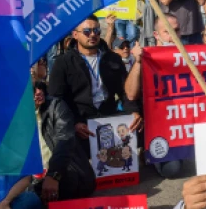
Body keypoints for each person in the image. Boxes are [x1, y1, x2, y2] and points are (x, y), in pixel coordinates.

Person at [48, 15, 142, 144]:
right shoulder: (63, 62)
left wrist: (133, 112)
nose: (92, 35)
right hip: (81, 120)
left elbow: (125, 91)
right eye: (87, 31)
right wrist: (74, 122)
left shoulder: (112, 58)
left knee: (139, 126)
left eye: (96, 31)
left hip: (108, 115)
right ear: (75, 34)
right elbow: (56, 98)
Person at [32, 81, 95, 202]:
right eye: (32, 90)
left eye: (39, 87)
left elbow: (64, 141)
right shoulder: (11, 118)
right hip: (28, 179)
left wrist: (53, 175)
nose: (39, 92)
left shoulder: (55, 106)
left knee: (68, 182)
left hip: (59, 171)